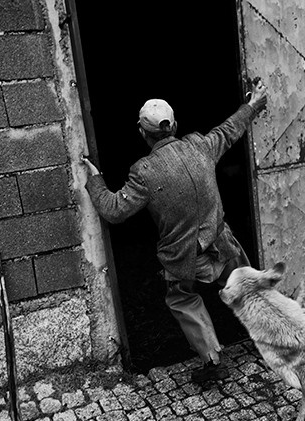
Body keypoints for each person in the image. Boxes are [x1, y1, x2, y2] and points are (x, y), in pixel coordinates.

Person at [80, 78, 268, 383]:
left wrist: (95, 179)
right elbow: (229, 131)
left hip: (184, 259)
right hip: (221, 244)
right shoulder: (200, 145)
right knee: (248, 289)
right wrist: (253, 104)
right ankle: (270, 337)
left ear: (142, 133)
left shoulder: (143, 172)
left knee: (183, 299)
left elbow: (114, 210)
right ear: (175, 124)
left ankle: (212, 360)